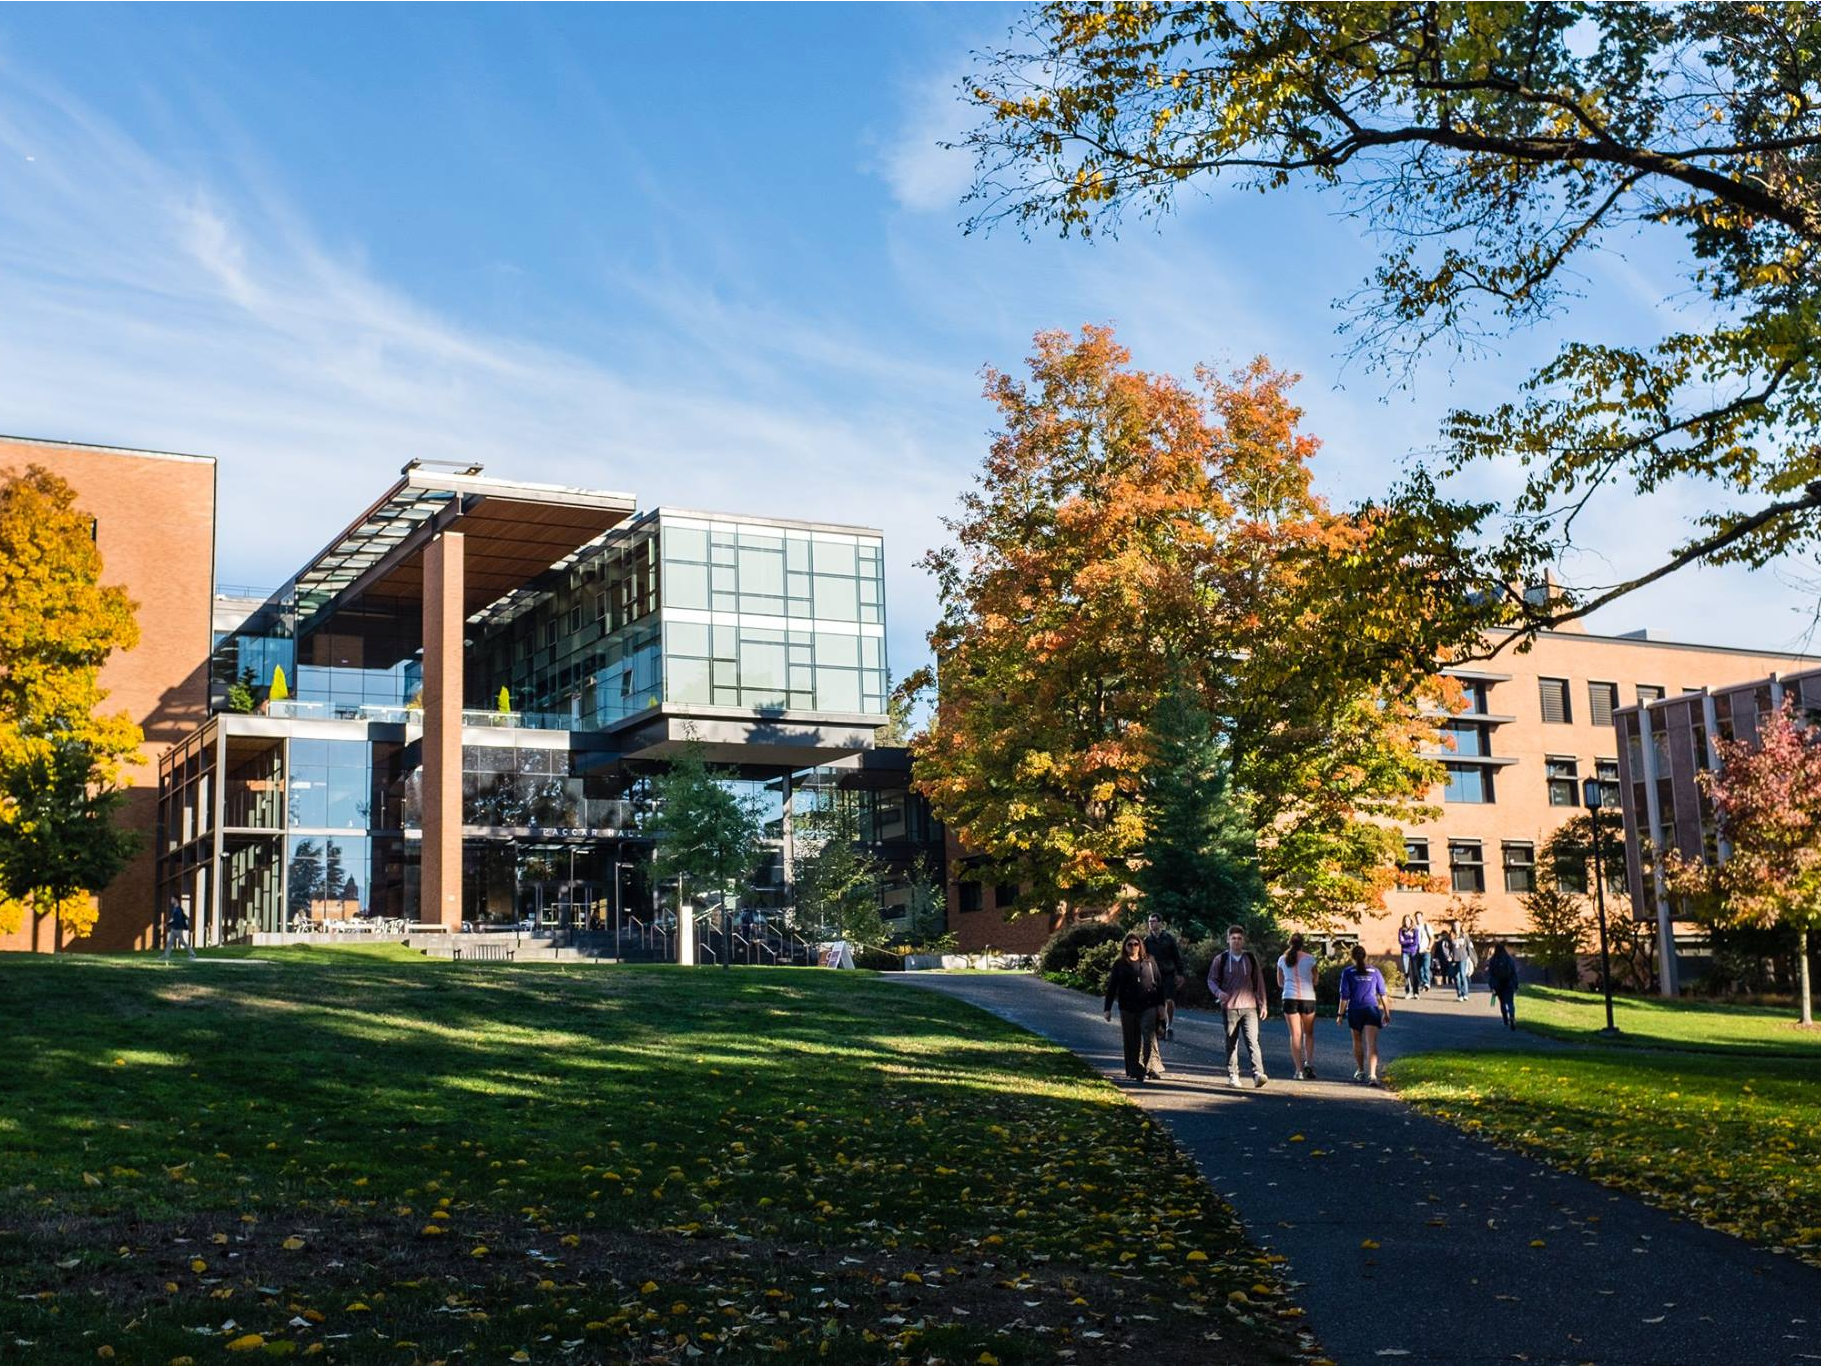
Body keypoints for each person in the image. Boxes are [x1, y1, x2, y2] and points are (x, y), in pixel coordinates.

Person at [1208, 924, 1269, 1089]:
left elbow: (1259, 982)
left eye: (1239, 938)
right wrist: (1219, 993)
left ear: (1244, 941)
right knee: (1231, 1042)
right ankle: (1233, 1074)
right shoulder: (1220, 960)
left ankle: (1258, 1074)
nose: (1236, 941)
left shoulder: (1250, 959)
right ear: (1228, 940)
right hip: (1229, 1008)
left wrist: (1263, 1004)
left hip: (1249, 1006)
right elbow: (1211, 980)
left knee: (1253, 1041)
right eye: (1233, 938)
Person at [1103, 933, 1167, 1082]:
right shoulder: (1120, 964)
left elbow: (1159, 984)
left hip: (1148, 1004)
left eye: (1136, 944)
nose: (1133, 947)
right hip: (1127, 1006)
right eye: (1129, 944)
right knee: (1131, 1039)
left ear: (1140, 946)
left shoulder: (1149, 961)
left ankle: (1151, 1067)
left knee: (1149, 1035)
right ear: (1125, 947)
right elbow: (1112, 987)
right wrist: (1107, 1008)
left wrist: (1161, 1006)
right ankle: (1135, 1069)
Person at [1336, 944, 1391, 1086]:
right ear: (1365, 956)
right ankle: (1373, 1075)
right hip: (1371, 1009)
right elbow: (1383, 994)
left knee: (1357, 1041)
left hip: (1355, 1010)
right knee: (1372, 1043)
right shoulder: (1375, 971)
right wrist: (1386, 1012)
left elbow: (1344, 996)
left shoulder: (1347, 972)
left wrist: (1340, 1014)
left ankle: (1360, 1071)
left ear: (1352, 957)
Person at [1275, 932, 1318, 1080]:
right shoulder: (1311, 959)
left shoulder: (1281, 959)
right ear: (1303, 944)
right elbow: (1315, 981)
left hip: (1289, 997)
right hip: (1308, 998)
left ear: (1289, 943)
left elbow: (1280, 983)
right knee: (1309, 1033)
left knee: (1295, 1035)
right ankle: (1309, 1064)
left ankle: (1298, 1070)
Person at [1142, 913, 1186, 1039]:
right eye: (1150, 921)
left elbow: (1176, 957)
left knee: (1169, 1001)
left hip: (1168, 974)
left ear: (1160, 923)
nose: (1151, 924)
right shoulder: (1147, 941)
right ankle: (1160, 1027)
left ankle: (1169, 1026)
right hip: (1154, 975)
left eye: (1154, 921)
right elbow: (1144, 959)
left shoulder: (1168, 939)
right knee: (1157, 1003)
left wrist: (1180, 974)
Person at [1486, 941, 1519, 1029]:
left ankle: (1505, 1020)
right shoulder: (1509, 959)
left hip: (1498, 984)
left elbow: (1491, 974)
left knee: (1502, 1002)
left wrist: (1492, 986)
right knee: (1510, 1002)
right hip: (1509, 983)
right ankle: (1512, 1016)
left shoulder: (1493, 960)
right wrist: (1516, 985)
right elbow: (1513, 973)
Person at [160, 896, 197, 962]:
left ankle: (192, 954)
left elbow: (177, 920)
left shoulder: (179, 909)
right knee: (170, 942)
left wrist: (168, 924)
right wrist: (167, 924)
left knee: (182, 942)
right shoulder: (175, 908)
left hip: (178, 929)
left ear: (176, 900)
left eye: (172, 899)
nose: (171, 900)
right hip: (174, 928)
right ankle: (166, 955)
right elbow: (173, 919)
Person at [1452, 919, 1476, 1001]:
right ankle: (1459, 994)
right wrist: (1448, 956)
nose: (1456, 927)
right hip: (1454, 959)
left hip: (1463, 957)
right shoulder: (1451, 936)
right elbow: (1446, 947)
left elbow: (1470, 947)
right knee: (1456, 976)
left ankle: (1465, 993)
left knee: (1462, 974)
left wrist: (1472, 958)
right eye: (1455, 926)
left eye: (1458, 925)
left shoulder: (1465, 936)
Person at [1396, 916, 1419, 998]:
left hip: (1413, 952)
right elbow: (1400, 941)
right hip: (1405, 953)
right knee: (1406, 972)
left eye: (1408, 920)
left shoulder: (1415, 930)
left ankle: (1416, 992)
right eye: (1405, 920)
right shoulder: (1401, 930)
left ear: (1411, 921)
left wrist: (1408, 941)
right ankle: (1408, 991)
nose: (1406, 922)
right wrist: (1410, 940)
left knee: (1414, 972)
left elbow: (1416, 942)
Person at [1433, 928, 1458, 998]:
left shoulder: (1450, 942)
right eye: (1443, 935)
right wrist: (1435, 959)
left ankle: (1450, 981)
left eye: (1445, 935)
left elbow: (1452, 949)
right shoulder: (1439, 943)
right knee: (1443, 970)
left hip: (1449, 958)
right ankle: (1444, 981)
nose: (1444, 936)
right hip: (1442, 959)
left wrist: (1451, 956)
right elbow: (1436, 952)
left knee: (1449, 970)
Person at [1413, 911, 1434, 993]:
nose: (1418, 918)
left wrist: (1429, 947)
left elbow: (1432, 938)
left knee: (1426, 967)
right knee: (1419, 969)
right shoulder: (1414, 928)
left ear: (1422, 917)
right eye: (1416, 917)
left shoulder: (1426, 926)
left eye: (1419, 917)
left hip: (1425, 950)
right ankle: (1423, 983)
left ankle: (1427, 983)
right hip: (1417, 951)